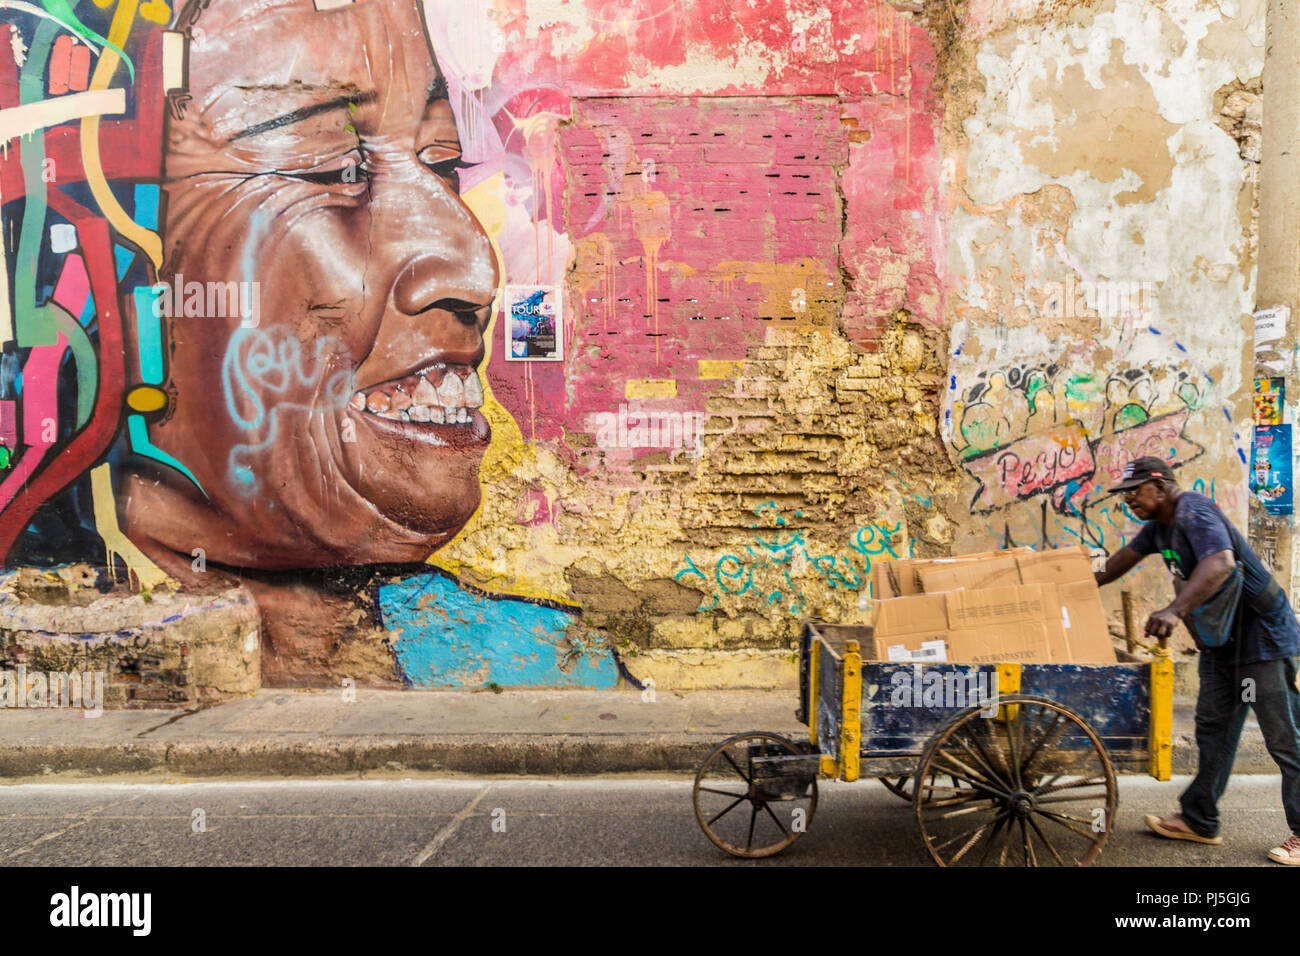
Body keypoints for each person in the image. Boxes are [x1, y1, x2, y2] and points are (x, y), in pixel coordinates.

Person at [1094, 456, 1300, 864]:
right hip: (1221, 643)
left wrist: (1174, 611)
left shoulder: (1194, 510)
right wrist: (1068, 579)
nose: (1129, 500)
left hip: (1260, 639)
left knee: (1284, 736)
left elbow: (1220, 563)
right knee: (1214, 729)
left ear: (1162, 485)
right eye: (1125, 495)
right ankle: (1200, 819)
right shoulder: (1158, 529)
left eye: (1135, 491)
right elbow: (1118, 563)